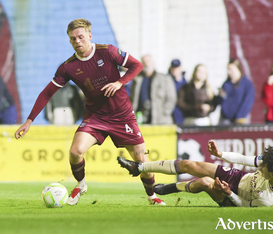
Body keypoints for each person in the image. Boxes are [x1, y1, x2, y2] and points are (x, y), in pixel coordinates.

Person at [14, 18, 165, 206]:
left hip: (122, 116)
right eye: (73, 39)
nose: (77, 41)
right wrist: (29, 121)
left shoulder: (107, 51)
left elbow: (137, 65)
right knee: (75, 151)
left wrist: (120, 82)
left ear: (89, 36)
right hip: (96, 117)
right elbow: (47, 93)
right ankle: (81, 184)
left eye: (80, 37)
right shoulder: (68, 67)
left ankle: (152, 196)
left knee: (141, 160)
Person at [117, 140, 273, 207]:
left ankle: (172, 188)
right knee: (189, 165)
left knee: (205, 182)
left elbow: (243, 206)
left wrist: (228, 192)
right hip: (239, 178)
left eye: (264, 169)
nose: (261, 168)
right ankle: (138, 168)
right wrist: (220, 155)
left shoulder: (268, 200)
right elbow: (243, 159)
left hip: (235, 197)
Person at [130, 54, 177, 124]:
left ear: (153, 63)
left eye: (148, 61)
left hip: (160, 120)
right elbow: (132, 98)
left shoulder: (165, 79)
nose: (147, 64)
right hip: (141, 119)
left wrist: (164, 112)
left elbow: (171, 98)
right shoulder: (136, 79)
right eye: (144, 62)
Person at [217, 58, 255, 125]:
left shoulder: (246, 84)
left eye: (231, 69)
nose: (229, 72)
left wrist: (240, 117)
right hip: (226, 120)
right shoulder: (226, 84)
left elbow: (248, 102)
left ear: (238, 69)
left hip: (240, 120)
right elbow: (222, 101)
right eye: (228, 70)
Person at [168, 59, 187, 125]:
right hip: (170, 114)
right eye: (173, 68)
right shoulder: (166, 82)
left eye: (177, 68)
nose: (175, 70)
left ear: (181, 68)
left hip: (183, 114)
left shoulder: (186, 84)